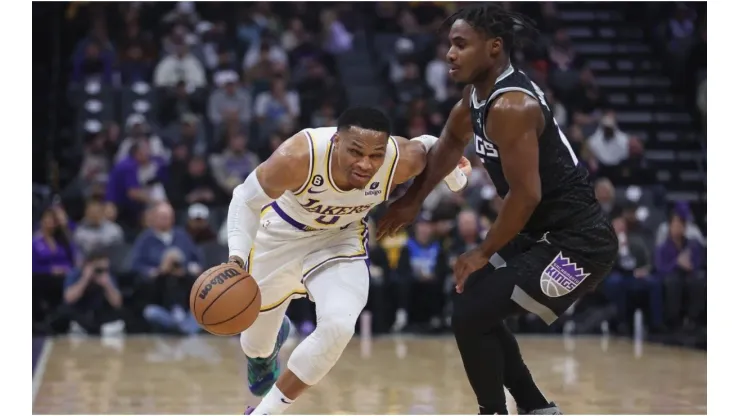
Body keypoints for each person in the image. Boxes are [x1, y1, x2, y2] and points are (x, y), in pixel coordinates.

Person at [377, 5, 618, 415]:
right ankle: (536, 408)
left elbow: (526, 197)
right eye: (448, 45)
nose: (449, 54)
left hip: (578, 245)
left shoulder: (511, 106)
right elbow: (451, 142)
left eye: (460, 45)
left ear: (493, 48)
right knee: (473, 303)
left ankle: (497, 411)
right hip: (540, 234)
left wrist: (483, 251)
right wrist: (412, 200)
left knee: (472, 313)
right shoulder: (477, 96)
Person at [226, 107, 470, 415]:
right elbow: (244, 200)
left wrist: (451, 169)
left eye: (375, 155)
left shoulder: (397, 159)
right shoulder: (299, 155)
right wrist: (236, 259)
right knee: (254, 345)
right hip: (279, 239)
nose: (366, 164)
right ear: (336, 142)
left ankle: (265, 412)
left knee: (339, 326)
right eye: (356, 152)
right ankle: (265, 350)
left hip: (339, 240)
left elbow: (429, 145)